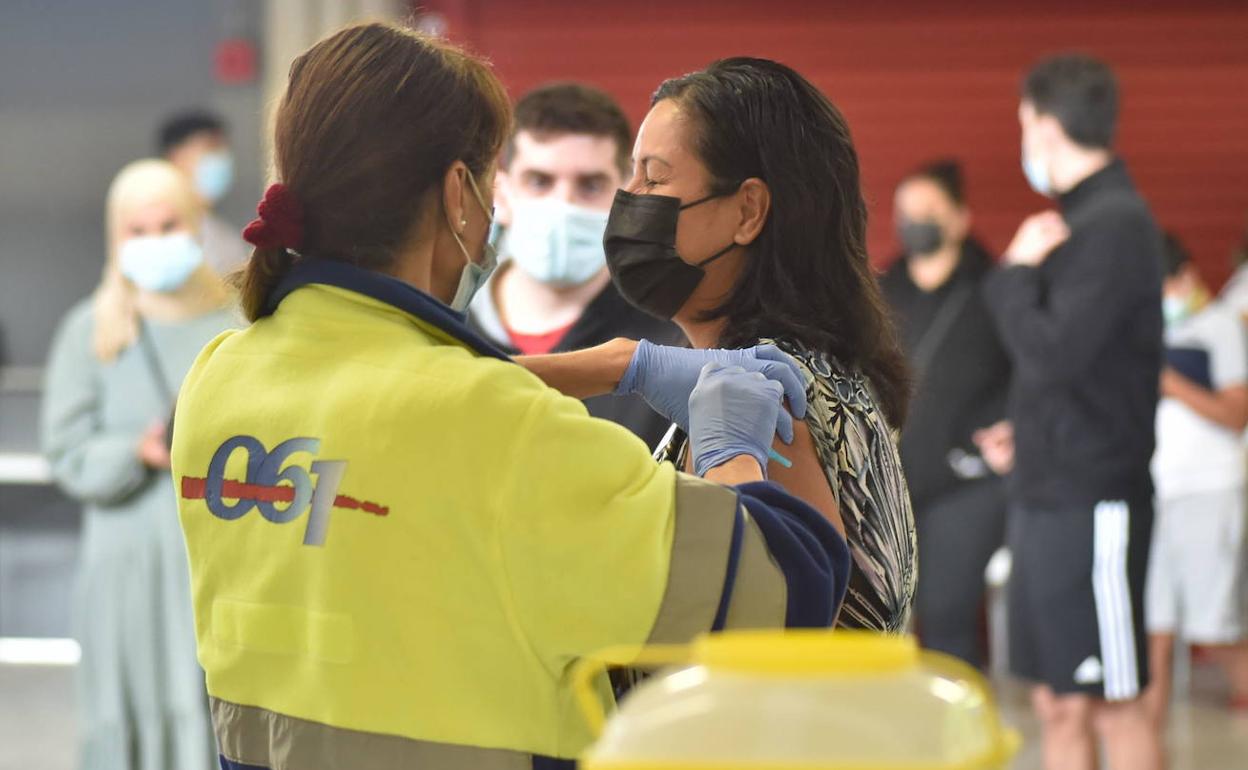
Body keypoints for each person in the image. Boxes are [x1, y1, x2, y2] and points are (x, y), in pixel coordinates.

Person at [170, 24, 850, 770]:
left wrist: (610, 364)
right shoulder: (498, 427)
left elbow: (385, 408)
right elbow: (781, 597)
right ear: (457, 194)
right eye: (495, 176)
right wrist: (731, 451)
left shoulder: (220, 378)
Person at [553, 57, 915, 634]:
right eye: (632, 174)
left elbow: (776, 642)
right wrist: (615, 364)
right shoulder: (812, 371)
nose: (629, 198)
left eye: (654, 177)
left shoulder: (766, 400)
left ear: (747, 211)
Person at [977, 54, 1165, 770]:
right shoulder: (1081, 221)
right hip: (1047, 490)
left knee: (1114, 701)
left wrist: (1014, 276)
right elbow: (1075, 366)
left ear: (1047, 126)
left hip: (1093, 498)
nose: (1023, 141)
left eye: (1023, 124)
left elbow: (1053, 351)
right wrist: (1026, 432)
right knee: (1058, 700)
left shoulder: (1115, 223)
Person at [41, 159, 235, 770]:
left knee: (215, 714)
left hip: (219, 566)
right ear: (115, 235)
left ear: (195, 223)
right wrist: (136, 451)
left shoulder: (237, 323)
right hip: (126, 572)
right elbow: (66, 451)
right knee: (129, 711)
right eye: (138, 230)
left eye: (169, 225)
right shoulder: (94, 330)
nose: (155, 241)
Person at [469, 83, 685, 448]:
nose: (564, 205)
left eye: (590, 185)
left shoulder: (674, 343)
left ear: (627, 194)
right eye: (539, 181)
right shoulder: (446, 323)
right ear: (501, 193)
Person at [881, 159, 1011, 666]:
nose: (916, 222)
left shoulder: (995, 289)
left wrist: (1012, 427)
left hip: (967, 482)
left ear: (959, 219)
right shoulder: (882, 292)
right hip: (892, 481)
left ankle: (957, 711)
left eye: (929, 211)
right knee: (877, 616)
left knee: (946, 614)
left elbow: (1031, 371)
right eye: (907, 212)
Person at [1144, 233, 1248, 722]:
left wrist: (1170, 384)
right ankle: (1146, 735)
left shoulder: (1222, 327)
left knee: (1212, 626)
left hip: (1209, 491)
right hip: (1152, 491)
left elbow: (1236, 413)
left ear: (1185, 277)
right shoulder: (1140, 331)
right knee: (1154, 626)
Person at [158, 110, 250, 276]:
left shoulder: (226, 237)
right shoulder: (154, 226)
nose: (221, 159)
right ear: (176, 156)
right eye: (211, 148)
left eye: (224, 149)